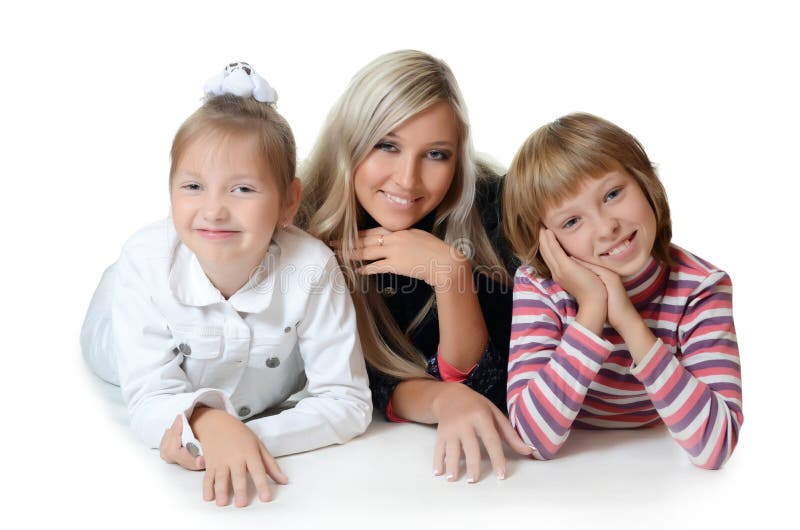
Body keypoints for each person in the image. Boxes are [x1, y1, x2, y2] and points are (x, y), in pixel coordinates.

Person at [80, 62, 372, 506]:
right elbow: (149, 396)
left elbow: (347, 402)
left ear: (289, 202)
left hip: (251, 393)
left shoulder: (312, 268)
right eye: (193, 186)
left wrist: (238, 436)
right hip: (117, 323)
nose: (213, 210)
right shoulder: (146, 263)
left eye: (242, 190)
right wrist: (206, 424)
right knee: (111, 352)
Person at [296, 50, 532, 483]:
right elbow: (360, 384)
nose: (408, 179)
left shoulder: (494, 213)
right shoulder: (300, 225)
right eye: (387, 145)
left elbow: (492, 392)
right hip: (353, 477)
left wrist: (452, 275)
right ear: (349, 141)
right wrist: (441, 400)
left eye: (436, 155)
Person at [502, 112, 743, 469]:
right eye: (572, 221)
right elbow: (531, 439)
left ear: (645, 183)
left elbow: (715, 446)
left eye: (613, 194)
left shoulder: (701, 288)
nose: (606, 227)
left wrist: (629, 321)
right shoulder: (540, 287)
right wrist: (592, 307)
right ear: (548, 241)